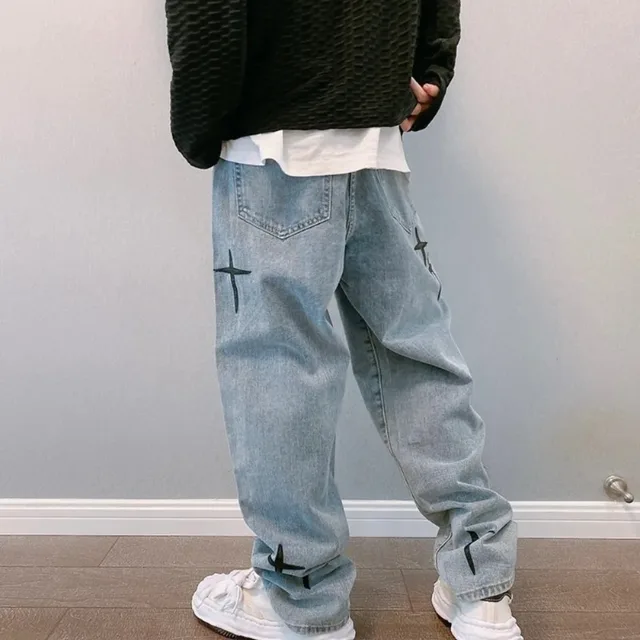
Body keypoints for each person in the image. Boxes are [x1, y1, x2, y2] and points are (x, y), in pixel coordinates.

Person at [165, 1, 523, 638]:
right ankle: (482, 586)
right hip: (375, 144)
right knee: (417, 357)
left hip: (272, 146)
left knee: (279, 370)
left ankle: (301, 600)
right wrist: (429, 70)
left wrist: (200, 127)